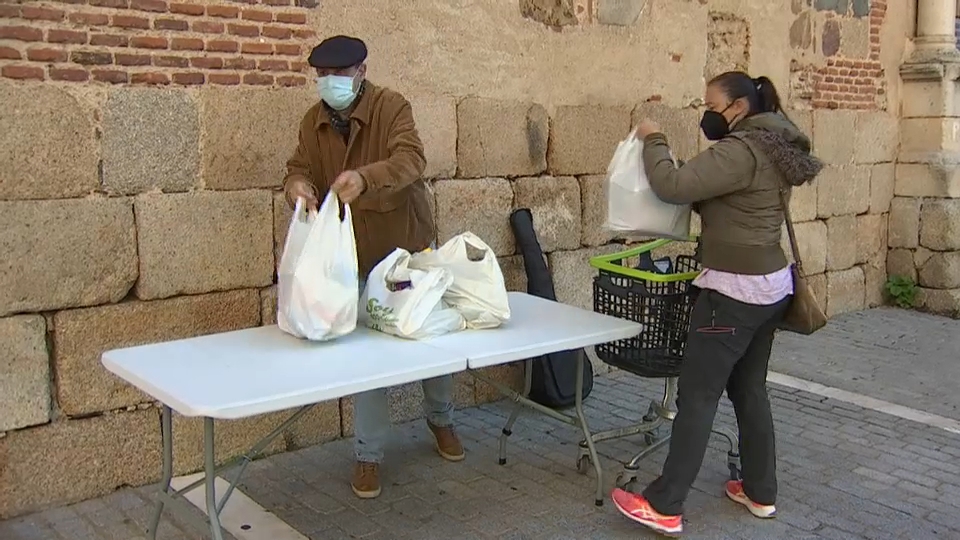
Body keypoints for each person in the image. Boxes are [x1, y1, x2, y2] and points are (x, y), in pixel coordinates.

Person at [611, 72, 823, 537]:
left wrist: (654, 138)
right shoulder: (771, 147)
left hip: (730, 297)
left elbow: (670, 185)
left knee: (698, 393)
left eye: (711, 104)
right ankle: (760, 490)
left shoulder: (739, 151)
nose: (706, 112)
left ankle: (664, 503)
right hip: (769, 289)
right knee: (749, 389)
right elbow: (730, 199)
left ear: (739, 107)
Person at [283, 35, 464, 500]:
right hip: (354, 257)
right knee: (367, 361)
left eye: (339, 76)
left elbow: (411, 160)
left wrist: (365, 178)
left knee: (430, 345)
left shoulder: (391, 107)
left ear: (361, 72)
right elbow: (298, 166)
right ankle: (368, 455)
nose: (329, 84)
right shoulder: (313, 121)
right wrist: (298, 186)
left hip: (405, 247)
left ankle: (441, 421)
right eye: (322, 76)